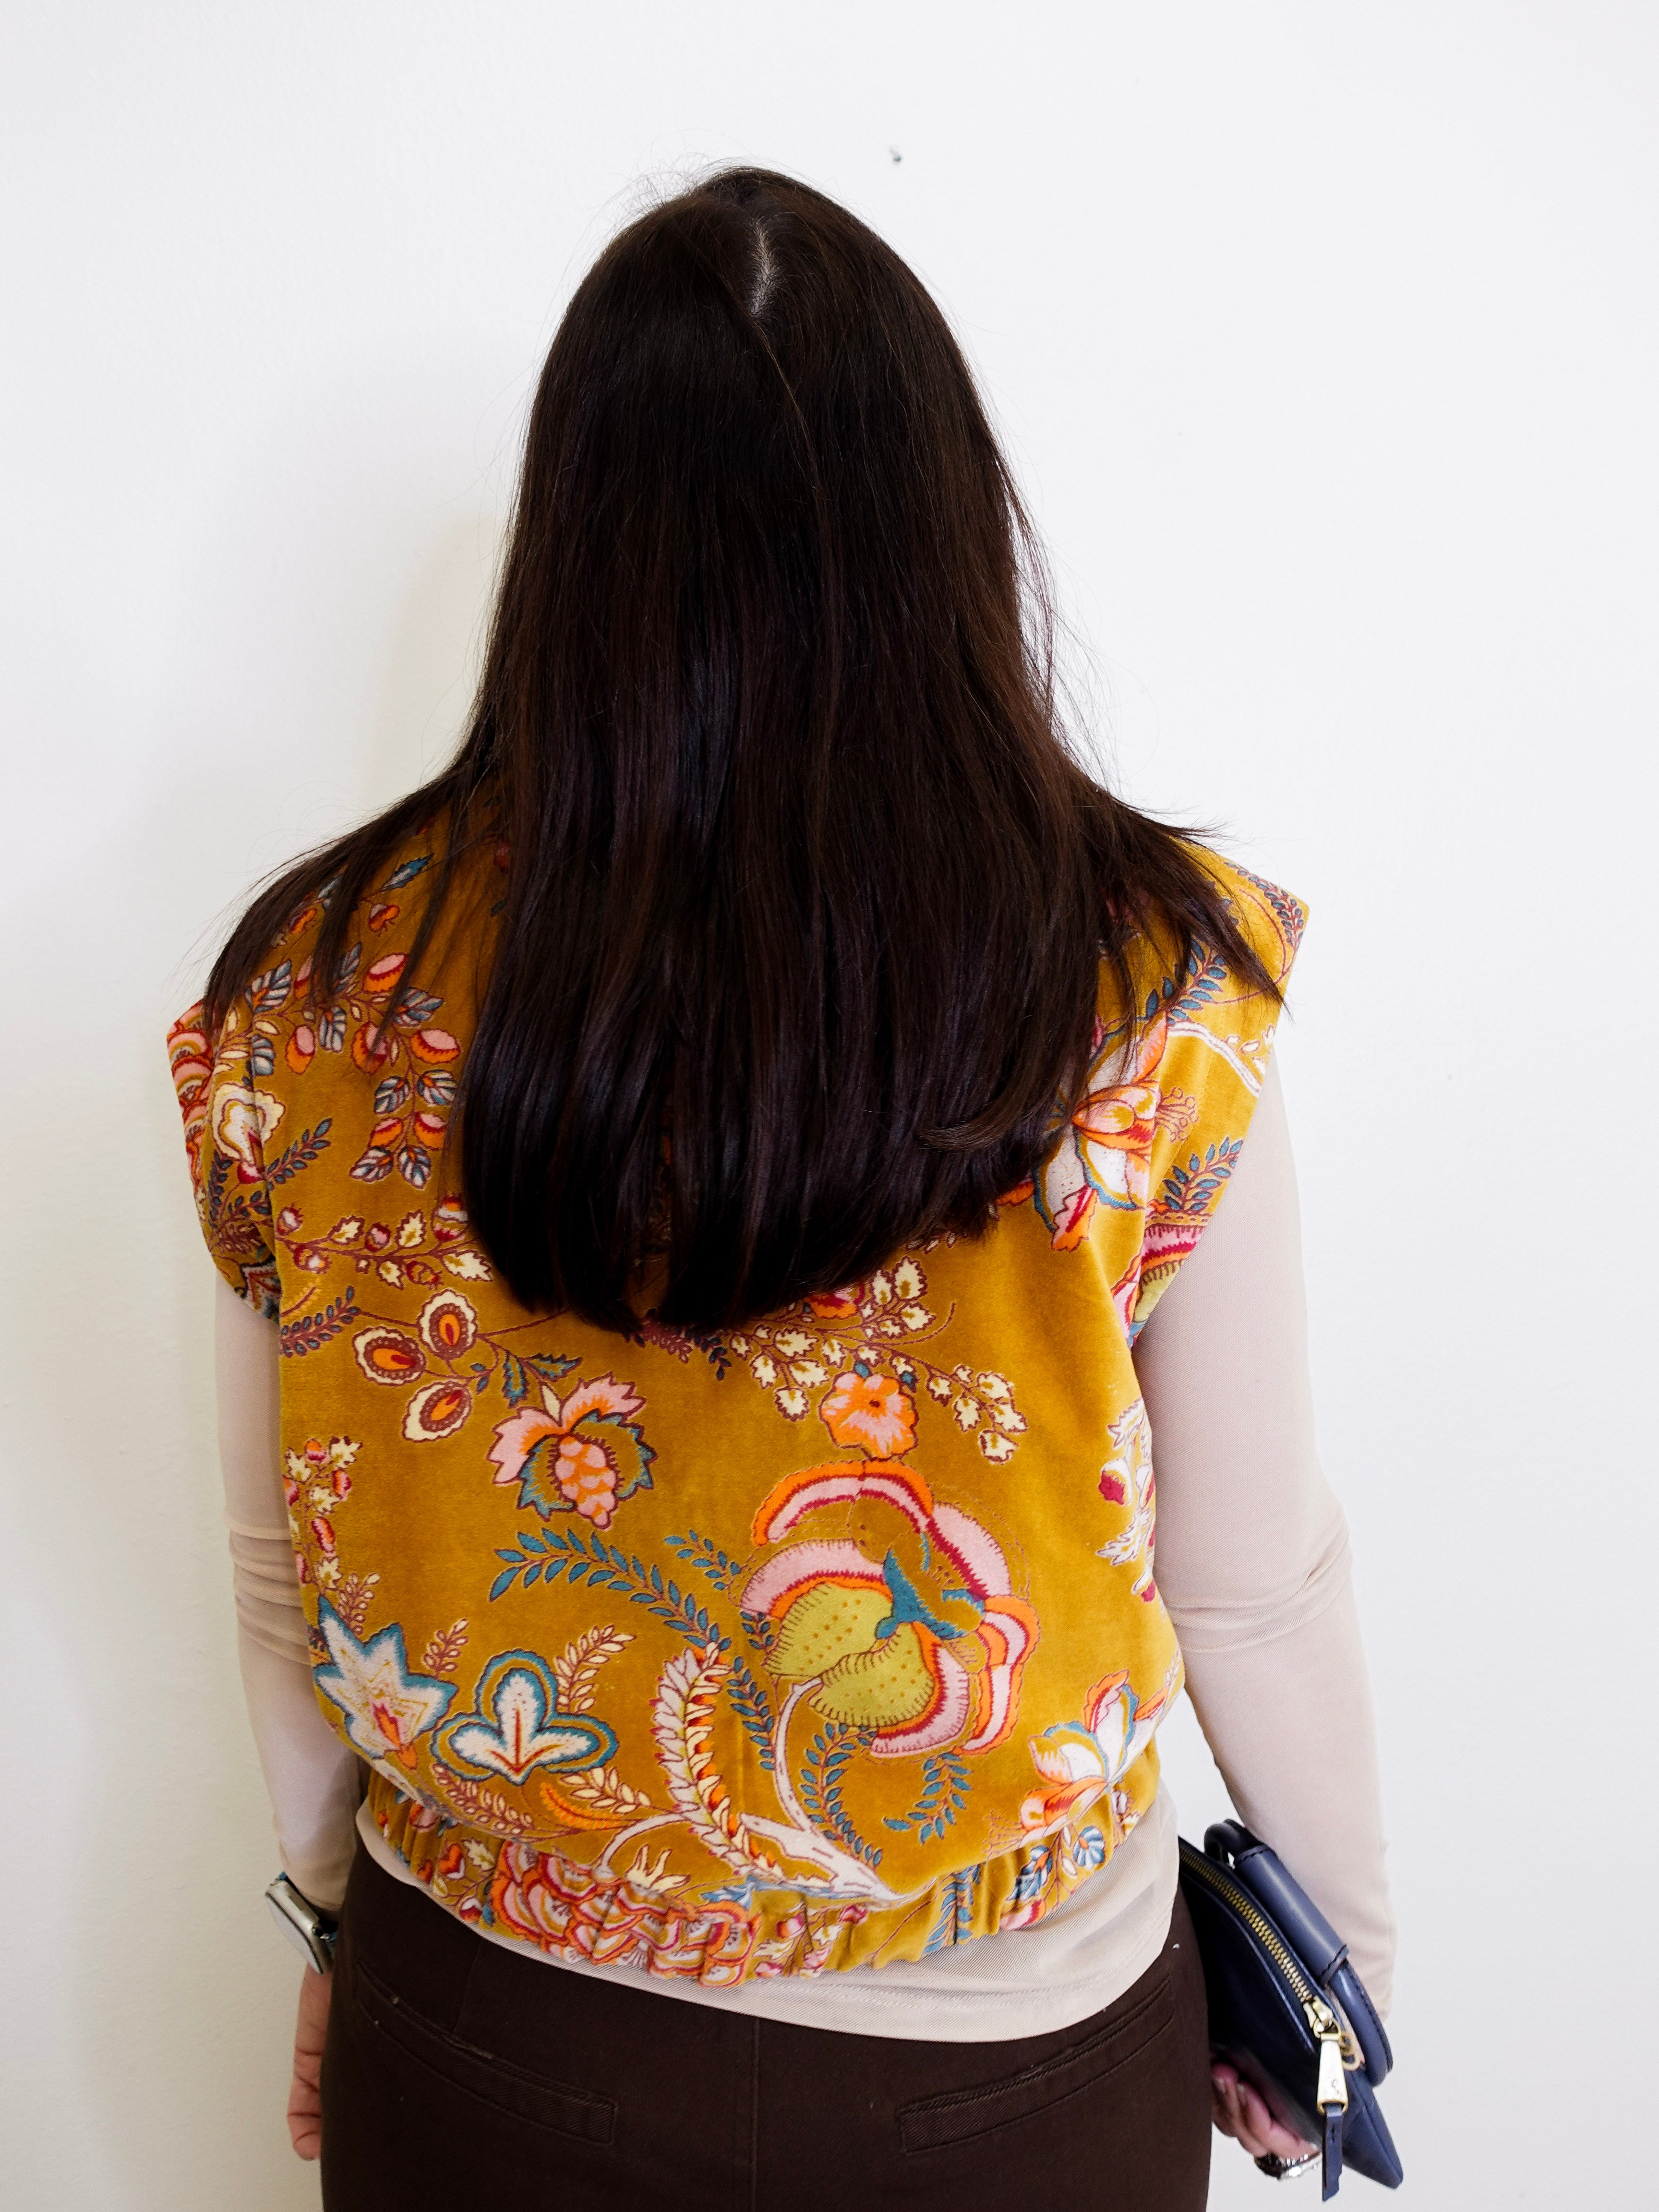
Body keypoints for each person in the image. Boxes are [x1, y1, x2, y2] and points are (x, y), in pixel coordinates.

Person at [169, 168, 1394, 2210]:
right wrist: (1341, 1980)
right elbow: (1253, 1587)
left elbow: (282, 1574)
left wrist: (330, 1926)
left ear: (572, 548)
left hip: (485, 2025)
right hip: (1015, 2073)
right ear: (946, 524)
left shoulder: (313, 995)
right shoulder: (1157, 994)